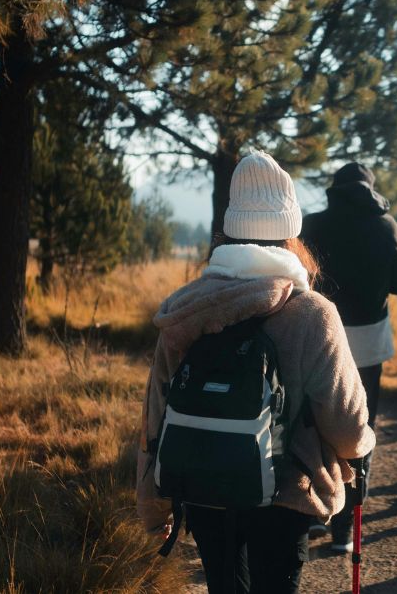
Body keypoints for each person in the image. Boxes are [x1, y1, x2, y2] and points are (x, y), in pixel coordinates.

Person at [136, 152, 375, 593]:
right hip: (288, 494)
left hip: (203, 485)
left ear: (228, 231)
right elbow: (344, 419)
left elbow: (156, 415)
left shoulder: (185, 307)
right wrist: (360, 450)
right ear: (291, 235)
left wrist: (155, 507)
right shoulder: (313, 314)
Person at [300, 162, 397, 550]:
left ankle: (314, 510)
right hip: (367, 342)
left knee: (311, 422)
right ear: (370, 189)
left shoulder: (312, 224)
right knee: (359, 429)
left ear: (334, 189)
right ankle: (345, 531)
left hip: (316, 334)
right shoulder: (385, 225)